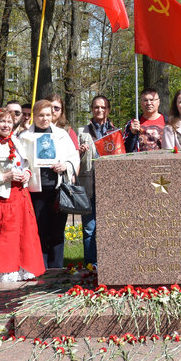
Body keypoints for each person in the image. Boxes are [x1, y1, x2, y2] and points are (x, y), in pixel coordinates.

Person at [0, 109, 44, 283]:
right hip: (1, 199)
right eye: (2, 121)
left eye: (9, 122)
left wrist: (26, 173)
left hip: (21, 197)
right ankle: (2, 274)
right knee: (3, 239)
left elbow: (26, 165)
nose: (6, 125)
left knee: (23, 237)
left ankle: (22, 270)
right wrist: (6, 177)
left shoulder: (16, 141)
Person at [25, 99, 80, 268]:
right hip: (35, 191)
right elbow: (20, 161)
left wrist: (65, 166)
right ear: (34, 116)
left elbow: (73, 157)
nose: (44, 119)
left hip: (57, 189)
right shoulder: (25, 137)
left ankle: (56, 269)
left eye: (48, 115)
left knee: (57, 231)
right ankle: (41, 268)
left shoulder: (61, 135)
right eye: (40, 115)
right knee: (39, 232)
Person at [78, 95, 118, 265]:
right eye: (96, 107)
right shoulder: (82, 132)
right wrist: (79, 151)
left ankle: (110, 263)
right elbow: (73, 157)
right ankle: (91, 265)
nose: (99, 110)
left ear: (108, 110)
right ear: (92, 109)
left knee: (111, 227)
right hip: (89, 185)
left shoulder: (115, 132)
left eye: (103, 107)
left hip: (109, 186)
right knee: (89, 228)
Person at [125, 88, 165, 152]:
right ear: (141, 103)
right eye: (145, 100)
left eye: (152, 100)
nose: (149, 103)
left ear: (158, 102)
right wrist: (132, 134)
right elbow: (125, 150)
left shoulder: (168, 122)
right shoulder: (133, 123)